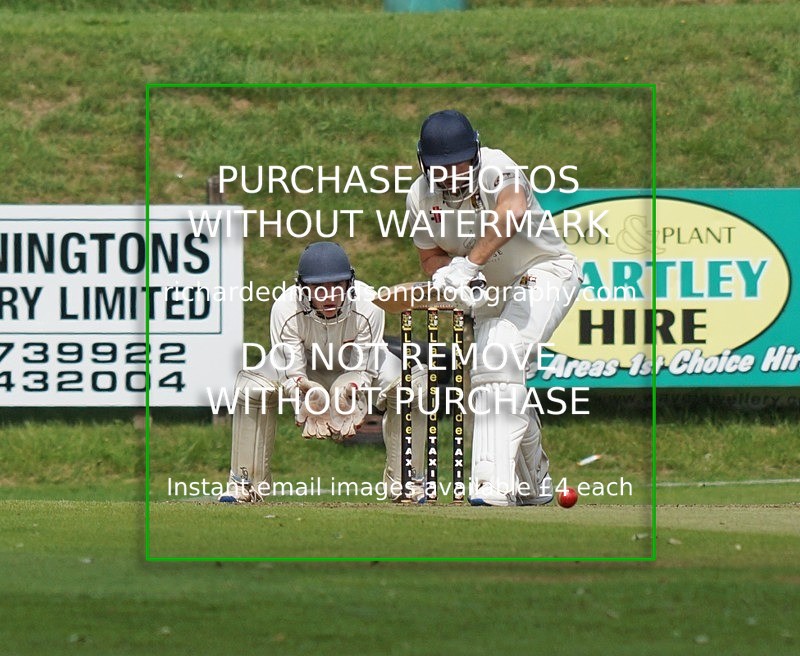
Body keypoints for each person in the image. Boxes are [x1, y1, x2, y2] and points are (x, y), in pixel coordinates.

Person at [408, 109, 583, 506]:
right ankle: (534, 484)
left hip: (546, 270)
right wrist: (449, 279)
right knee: (495, 374)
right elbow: (431, 256)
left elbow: (512, 212)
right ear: (423, 164)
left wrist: (469, 265)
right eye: (440, 169)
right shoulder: (420, 197)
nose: (451, 176)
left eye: (460, 165)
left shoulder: (497, 167)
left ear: (476, 153)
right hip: (489, 290)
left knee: (500, 351)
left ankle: (492, 487)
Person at [219, 241, 425, 503]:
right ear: (303, 288)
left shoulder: (369, 305)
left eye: (336, 287)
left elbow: (364, 368)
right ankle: (245, 483)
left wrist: (349, 389)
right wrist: (306, 394)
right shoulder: (285, 308)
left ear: (349, 284)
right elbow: (290, 369)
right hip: (307, 369)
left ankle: (409, 481)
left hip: (357, 367)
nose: (329, 296)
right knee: (251, 388)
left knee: (414, 385)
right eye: (319, 288)